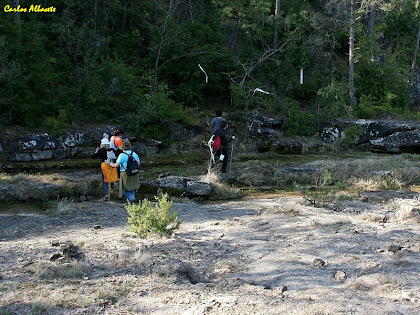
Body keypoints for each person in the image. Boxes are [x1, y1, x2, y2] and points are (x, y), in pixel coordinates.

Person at [110, 140, 140, 204]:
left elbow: (117, 165)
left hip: (125, 173)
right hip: (134, 172)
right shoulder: (134, 154)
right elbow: (138, 164)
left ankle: (131, 198)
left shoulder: (122, 155)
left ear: (123, 148)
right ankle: (131, 202)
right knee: (132, 187)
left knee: (125, 188)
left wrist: (111, 164)